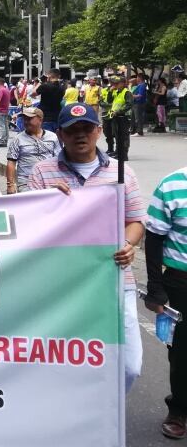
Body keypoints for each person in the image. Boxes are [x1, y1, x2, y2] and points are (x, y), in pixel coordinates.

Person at [28, 103, 144, 393]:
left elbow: (136, 221)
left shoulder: (122, 173)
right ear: (61, 135)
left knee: (129, 365)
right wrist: (46, 203)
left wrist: (128, 244)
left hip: (114, 280)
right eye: (72, 130)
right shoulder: (43, 173)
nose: (81, 135)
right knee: (64, 364)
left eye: (87, 128)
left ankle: (107, 413)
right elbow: (28, 226)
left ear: (99, 131)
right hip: (62, 285)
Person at [143, 165, 187, 438]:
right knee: (182, 352)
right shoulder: (171, 185)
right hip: (180, 282)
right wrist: (155, 288)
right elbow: (154, 239)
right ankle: (180, 408)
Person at [4, 107, 60, 194]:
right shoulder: (17, 139)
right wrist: (10, 185)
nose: (26, 122)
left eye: (30, 119)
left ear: (40, 120)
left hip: (49, 181)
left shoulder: (53, 137)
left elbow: (58, 160)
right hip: (26, 182)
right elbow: (11, 162)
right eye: (24, 119)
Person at [0, 78, 11, 147]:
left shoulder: (1, 90)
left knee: (0, 126)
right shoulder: (6, 90)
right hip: (5, 110)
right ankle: (5, 140)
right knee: (5, 126)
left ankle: (2, 140)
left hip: (0, 110)